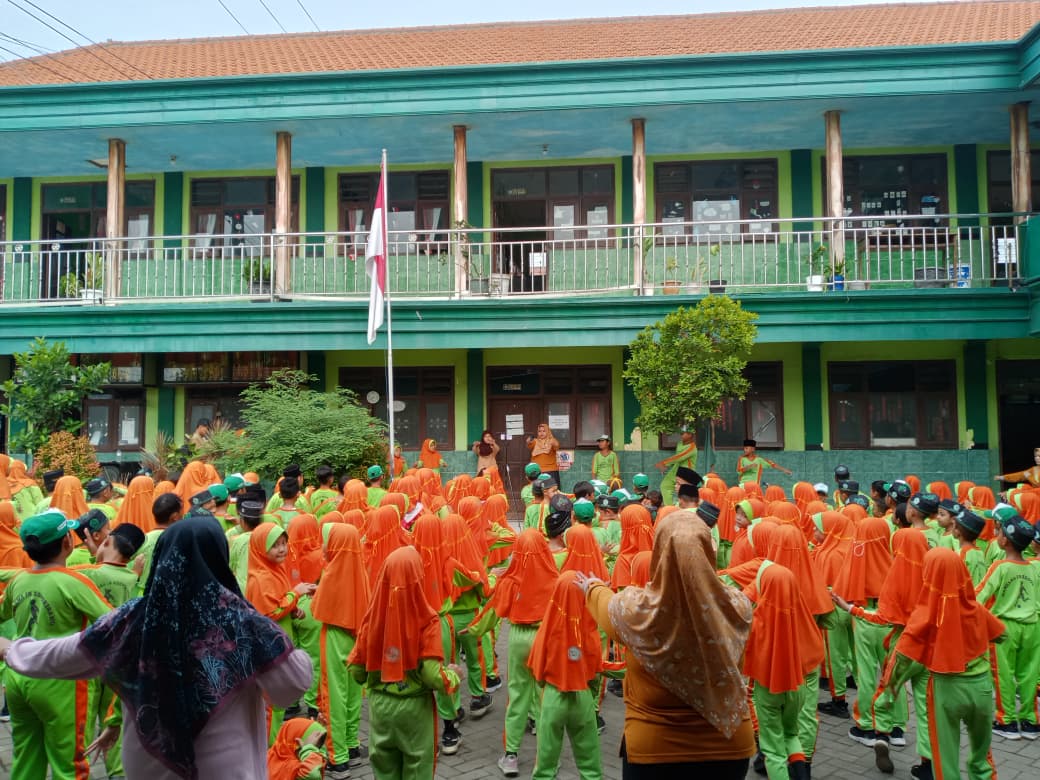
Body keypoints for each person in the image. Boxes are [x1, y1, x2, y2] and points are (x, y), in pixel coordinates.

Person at [2, 516, 312, 780]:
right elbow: (291, 688)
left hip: (150, 766)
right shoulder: (243, 623)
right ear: (219, 557)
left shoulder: (134, 618)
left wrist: (10, 650)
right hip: (226, 769)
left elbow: (66, 655)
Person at [578, 509, 755, 778]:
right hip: (728, 748)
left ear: (660, 550)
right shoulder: (737, 606)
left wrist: (591, 587)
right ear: (708, 550)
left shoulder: (634, 610)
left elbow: (603, 603)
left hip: (654, 749)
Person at [0, 509, 113, 780]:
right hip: (61, 681)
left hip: (18, 677)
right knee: (70, 766)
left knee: (26, 757)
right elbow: (116, 621)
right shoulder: (74, 583)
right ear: (67, 543)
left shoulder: (18, 580)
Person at [885, 547, 1006, 780]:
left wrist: (891, 688)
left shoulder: (925, 615)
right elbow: (1001, 634)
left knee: (945, 757)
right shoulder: (975, 608)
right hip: (981, 688)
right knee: (982, 755)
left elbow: (902, 657)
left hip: (946, 688)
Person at [347, 546, 460, 780]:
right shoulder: (428, 621)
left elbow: (357, 671)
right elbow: (432, 675)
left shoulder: (372, 619)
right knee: (418, 767)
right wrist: (453, 675)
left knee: (384, 769)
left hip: (380, 708)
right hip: (414, 709)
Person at [743, 562, 825, 780]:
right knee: (791, 734)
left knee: (773, 750)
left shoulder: (756, 620)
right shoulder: (802, 617)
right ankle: (801, 775)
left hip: (768, 690)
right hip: (797, 686)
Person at [527, 570, 605, 780]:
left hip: (553, 697)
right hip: (582, 697)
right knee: (590, 764)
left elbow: (537, 669)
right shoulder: (590, 630)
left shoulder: (549, 627)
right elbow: (596, 670)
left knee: (545, 764)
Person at [310, 523, 370, 780]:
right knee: (354, 695)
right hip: (355, 640)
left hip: (334, 636)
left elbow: (317, 610)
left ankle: (338, 759)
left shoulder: (332, 573)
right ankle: (352, 745)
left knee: (334, 696)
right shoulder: (360, 571)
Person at [975, 513, 1040, 740]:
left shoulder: (1000, 567)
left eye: (1000, 531)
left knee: (1003, 674)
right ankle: (1031, 721)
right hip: (1032, 627)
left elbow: (978, 597)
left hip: (1004, 629)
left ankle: (1007, 721)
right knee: (1029, 674)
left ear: (1005, 540)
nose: (998, 534)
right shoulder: (1033, 567)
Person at [654, 427, 697, 507]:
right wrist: (668, 465)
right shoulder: (680, 444)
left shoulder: (692, 447)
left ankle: (685, 510)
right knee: (665, 486)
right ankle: (669, 509)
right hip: (675, 470)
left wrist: (664, 463)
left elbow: (680, 457)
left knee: (684, 494)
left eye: (683, 433)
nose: (681, 435)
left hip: (686, 473)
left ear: (690, 435)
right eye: (681, 433)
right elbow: (676, 457)